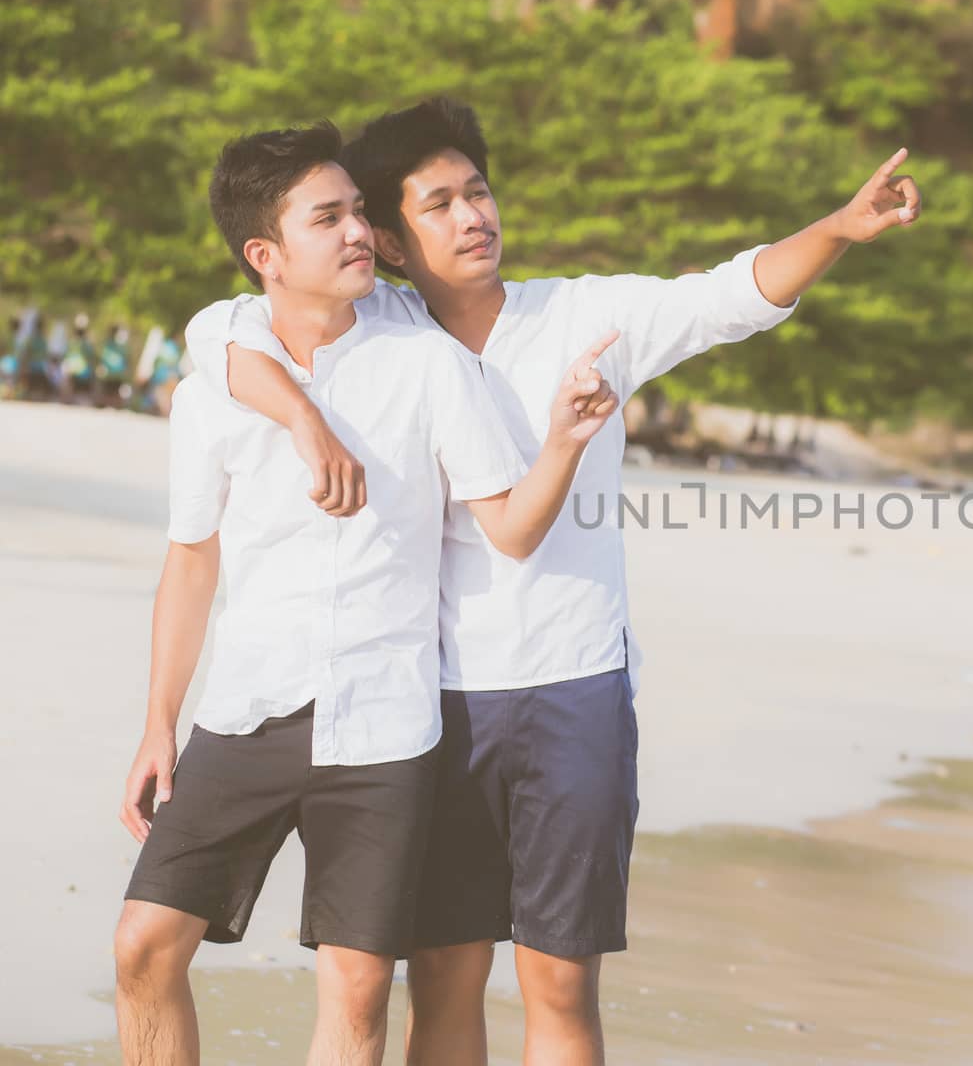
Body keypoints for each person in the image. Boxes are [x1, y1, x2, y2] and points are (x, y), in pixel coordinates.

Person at [185, 96, 923, 1066]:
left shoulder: (585, 315)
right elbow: (221, 331)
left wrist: (834, 229)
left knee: (559, 977)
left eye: (478, 192)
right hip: (436, 699)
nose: (472, 216)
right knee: (444, 970)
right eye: (438, 203)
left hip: (574, 687)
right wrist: (305, 416)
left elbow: (725, 296)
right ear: (394, 241)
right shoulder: (384, 332)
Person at [113, 120, 622, 1066]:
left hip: (386, 729)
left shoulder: (427, 360)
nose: (361, 234)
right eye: (331, 218)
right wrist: (158, 722)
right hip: (249, 712)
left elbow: (508, 528)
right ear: (266, 254)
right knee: (143, 944)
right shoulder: (219, 378)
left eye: (360, 212)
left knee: (355, 996)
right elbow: (192, 560)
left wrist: (562, 441)